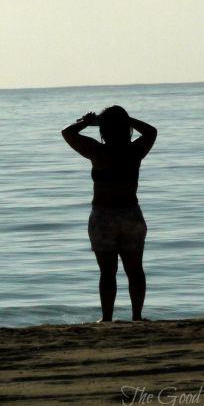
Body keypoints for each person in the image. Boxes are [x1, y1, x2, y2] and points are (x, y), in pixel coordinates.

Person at [61, 105, 157, 322]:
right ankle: (137, 316)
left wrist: (87, 122)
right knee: (135, 269)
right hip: (130, 215)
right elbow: (151, 132)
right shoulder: (134, 151)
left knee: (107, 272)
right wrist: (126, 120)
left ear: (104, 130)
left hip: (103, 216)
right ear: (126, 128)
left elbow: (67, 133)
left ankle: (107, 318)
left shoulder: (97, 151)